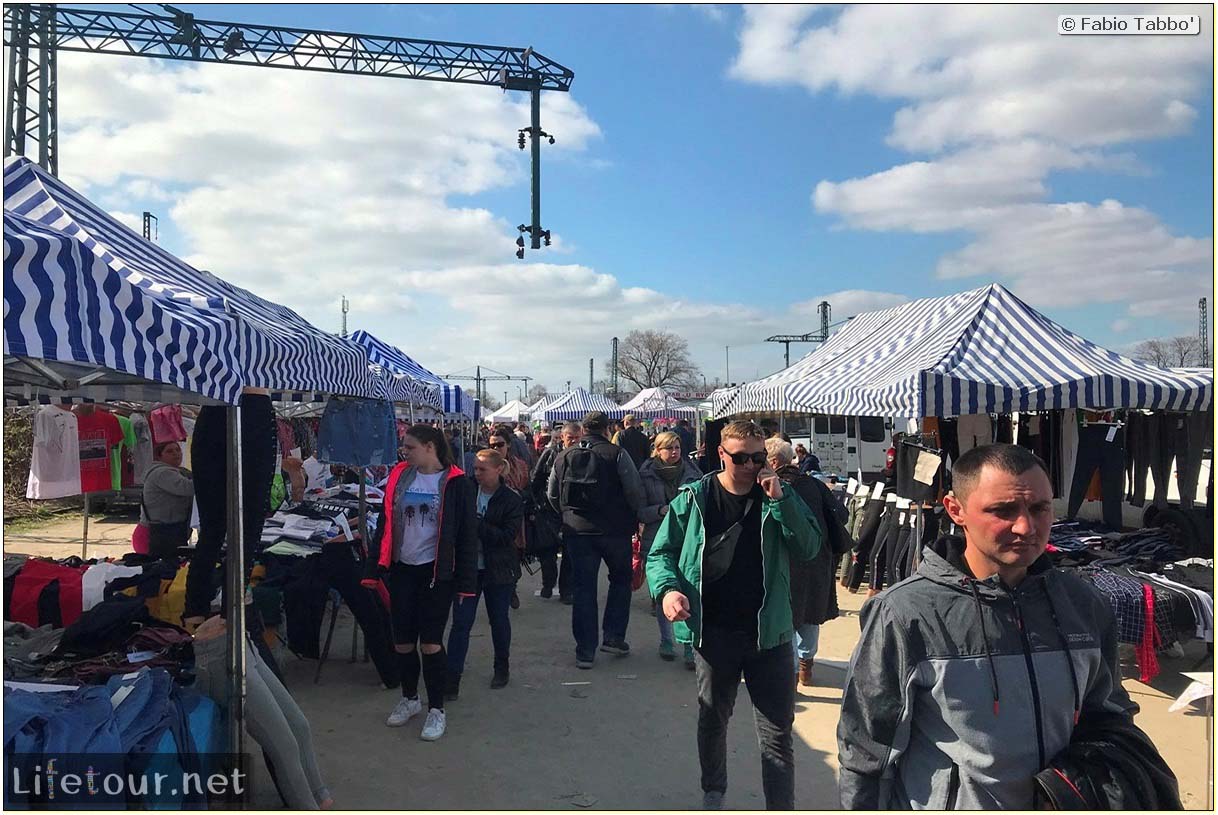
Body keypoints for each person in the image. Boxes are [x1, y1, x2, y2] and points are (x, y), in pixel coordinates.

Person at [836, 443, 1140, 810]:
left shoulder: (1083, 604)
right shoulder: (904, 614)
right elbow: (867, 753)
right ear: (955, 510)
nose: (1025, 526)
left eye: (1040, 508)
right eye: (1003, 510)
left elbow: (1109, 714)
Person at [646, 420, 823, 810]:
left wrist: (781, 500)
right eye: (740, 457)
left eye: (758, 457)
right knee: (713, 719)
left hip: (770, 634)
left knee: (777, 732)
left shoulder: (780, 494)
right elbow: (660, 554)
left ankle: (780, 806)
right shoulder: (695, 498)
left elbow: (810, 546)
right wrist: (668, 590)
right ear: (721, 455)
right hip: (714, 634)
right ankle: (714, 791)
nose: (750, 465)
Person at [361, 425, 478, 742]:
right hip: (402, 570)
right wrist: (374, 567)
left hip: (437, 574)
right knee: (401, 641)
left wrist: (467, 583)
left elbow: (467, 536)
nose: (404, 452)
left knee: (430, 642)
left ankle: (436, 709)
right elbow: (385, 523)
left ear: (429, 447)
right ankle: (410, 698)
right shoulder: (400, 476)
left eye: (409, 447)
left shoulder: (457, 483)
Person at [547, 411, 645, 668]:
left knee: (583, 589)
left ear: (583, 429)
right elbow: (634, 490)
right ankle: (613, 636)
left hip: (578, 531)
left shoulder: (564, 455)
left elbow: (552, 494)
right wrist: (635, 516)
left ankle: (585, 650)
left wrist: (567, 515)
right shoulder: (617, 454)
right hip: (615, 530)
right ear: (607, 428)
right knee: (621, 581)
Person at [766, 438, 853, 687]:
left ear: (773, 462)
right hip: (818, 558)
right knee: (811, 614)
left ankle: (792, 674)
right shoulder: (815, 484)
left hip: (787, 559)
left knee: (788, 617)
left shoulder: (774, 488)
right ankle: (806, 667)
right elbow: (843, 514)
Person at [445, 449, 523, 698]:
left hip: (498, 570)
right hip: (467, 569)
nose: (476, 473)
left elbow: (506, 537)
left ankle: (502, 667)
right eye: (475, 468)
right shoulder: (466, 490)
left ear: (499, 469)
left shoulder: (511, 499)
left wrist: (477, 524)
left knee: (498, 620)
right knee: (460, 624)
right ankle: (452, 678)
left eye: (482, 469)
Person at [637, 431, 702, 667]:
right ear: (658, 450)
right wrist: (660, 511)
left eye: (677, 447)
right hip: (656, 538)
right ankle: (666, 640)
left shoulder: (693, 473)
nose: (674, 452)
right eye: (669, 448)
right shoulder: (645, 474)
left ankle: (688, 644)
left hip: (687, 538)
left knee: (687, 588)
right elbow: (638, 510)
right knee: (665, 591)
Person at [531, 422, 579, 602]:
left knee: (569, 552)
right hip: (548, 508)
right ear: (562, 438)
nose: (573, 441)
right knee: (547, 550)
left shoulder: (583, 455)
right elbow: (536, 478)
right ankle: (548, 583)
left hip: (571, 511)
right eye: (570, 438)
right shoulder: (551, 453)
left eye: (577, 438)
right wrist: (536, 503)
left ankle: (566, 590)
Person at [488, 427, 529, 609]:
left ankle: (512, 586)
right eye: (492, 445)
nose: (496, 448)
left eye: (500, 444)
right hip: (493, 518)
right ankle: (504, 590)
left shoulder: (519, 464)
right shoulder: (484, 465)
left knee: (515, 555)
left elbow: (528, 485)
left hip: (515, 518)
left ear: (508, 445)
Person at [133, 441, 194, 558]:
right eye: (169, 451)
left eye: (178, 450)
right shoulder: (162, 473)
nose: (176, 454)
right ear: (159, 456)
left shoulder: (177, 472)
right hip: (154, 535)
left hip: (161, 533)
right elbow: (189, 488)